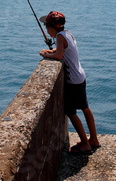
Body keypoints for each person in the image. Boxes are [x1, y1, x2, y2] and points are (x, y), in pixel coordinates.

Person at [39, 11, 100, 154]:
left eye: (47, 27)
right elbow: (64, 51)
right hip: (80, 76)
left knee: (70, 112)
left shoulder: (59, 37)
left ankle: (85, 144)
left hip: (72, 80)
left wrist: (44, 54)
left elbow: (59, 55)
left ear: (51, 28)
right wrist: (52, 51)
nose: (47, 31)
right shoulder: (67, 34)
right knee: (85, 108)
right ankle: (94, 139)